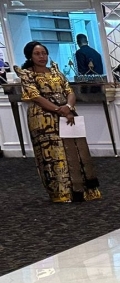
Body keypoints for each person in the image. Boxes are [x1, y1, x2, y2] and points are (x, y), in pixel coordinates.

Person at [18, 42, 100, 203]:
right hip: (44, 119)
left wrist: (68, 107)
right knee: (55, 155)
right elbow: (35, 96)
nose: (42, 57)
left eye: (44, 53)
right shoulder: (27, 75)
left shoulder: (56, 72)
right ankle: (61, 193)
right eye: (37, 54)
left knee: (77, 151)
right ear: (30, 56)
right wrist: (59, 110)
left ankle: (83, 190)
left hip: (67, 113)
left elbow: (69, 91)